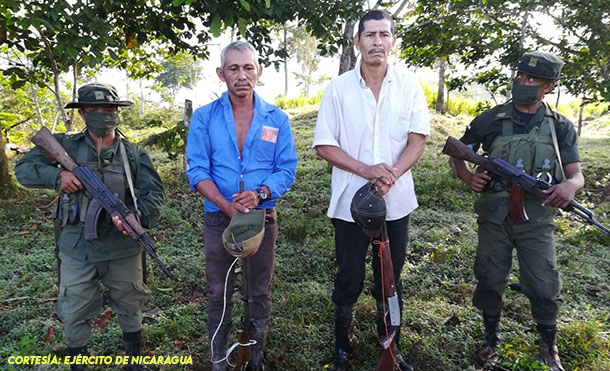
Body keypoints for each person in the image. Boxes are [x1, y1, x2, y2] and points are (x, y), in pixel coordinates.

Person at [448, 51, 584, 371]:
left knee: (543, 281)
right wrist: (469, 176)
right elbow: (457, 151)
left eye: (532, 79)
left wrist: (570, 187)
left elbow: (576, 173)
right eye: (521, 76)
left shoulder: (559, 127)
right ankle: (490, 338)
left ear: (549, 86)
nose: (522, 82)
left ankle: (549, 346)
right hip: (493, 214)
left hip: (536, 217)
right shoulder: (490, 119)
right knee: (490, 274)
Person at [14, 83, 165, 371]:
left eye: (109, 109)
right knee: (75, 306)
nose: (103, 115)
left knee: (130, 301)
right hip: (76, 245)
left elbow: (153, 194)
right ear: (82, 113)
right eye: (94, 110)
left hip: (123, 247)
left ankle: (134, 361)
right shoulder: (67, 146)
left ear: (118, 113)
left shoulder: (132, 153)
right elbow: (24, 170)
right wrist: (57, 176)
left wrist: (135, 217)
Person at [313, 9, 430, 370]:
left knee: (390, 279)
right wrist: (365, 170)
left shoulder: (409, 86)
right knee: (349, 277)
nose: (377, 41)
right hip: (350, 202)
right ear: (357, 41)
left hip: (395, 203)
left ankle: (393, 348)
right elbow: (324, 145)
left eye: (384, 34)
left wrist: (391, 173)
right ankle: (342, 351)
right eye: (370, 35)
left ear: (393, 41)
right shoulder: (338, 89)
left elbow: (417, 140)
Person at [186, 40, 297, 371]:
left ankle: (253, 357)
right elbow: (196, 169)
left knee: (258, 292)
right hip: (219, 219)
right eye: (233, 69)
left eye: (248, 68)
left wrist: (261, 193)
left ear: (259, 72)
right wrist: (224, 203)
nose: (241, 76)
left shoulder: (276, 119)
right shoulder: (205, 118)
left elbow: (286, 168)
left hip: (261, 220)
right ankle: (220, 359)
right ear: (221, 74)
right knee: (219, 292)